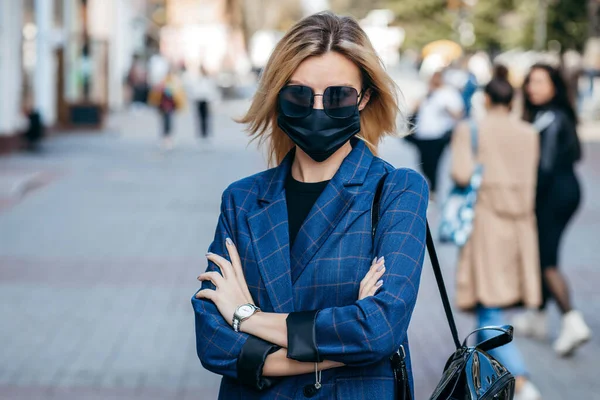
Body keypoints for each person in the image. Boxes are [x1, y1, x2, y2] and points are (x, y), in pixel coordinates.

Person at [191, 12, 428, 399]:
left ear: (364, 97)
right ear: (278, 96)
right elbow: (213, 340)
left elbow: (381, 328)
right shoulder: (243, 199)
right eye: (300, 94)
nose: (318, 110)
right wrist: (339, 344)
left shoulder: (396, 191)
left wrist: (247, 316)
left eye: (338, 96)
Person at [451, 65, 542, 400]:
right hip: (519, 225)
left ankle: (521, 380)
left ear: (486, 98)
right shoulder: (529, 132)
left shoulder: (470, 129)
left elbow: (461, 174)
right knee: (487, 305)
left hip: (486, 224)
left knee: (489, 307)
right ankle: (477, 379)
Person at [513, 64, 592, 357]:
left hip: (554, 193)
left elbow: (543, 168)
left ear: (554, 86)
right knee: (542, 253)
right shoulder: (555, 115)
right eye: (530, 81)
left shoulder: (551, 118)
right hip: (564, 190)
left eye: (540, 81)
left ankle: (572, 321)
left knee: (547, 260)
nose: (532, 87)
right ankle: (538, 317)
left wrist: (526, 201)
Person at [411, 70, 464, 201]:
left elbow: (459, 113)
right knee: (423, 162)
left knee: (434, 163)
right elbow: (416, 109)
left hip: (438, 135)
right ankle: (430, 186)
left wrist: (446, 109)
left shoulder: (448, 94)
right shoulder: (427, 93)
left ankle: (433, 189)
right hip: (422, 134)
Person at [149, 70, 185, 149]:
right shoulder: (165, 85)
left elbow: (178, 97)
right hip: (164, 106)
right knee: (166, 122)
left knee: (167, 122)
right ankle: (166, 138)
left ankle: (167, 137)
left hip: (168, 107)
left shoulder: (170, 85)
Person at [183, 65, 219, 141]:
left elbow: (212, 90)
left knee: (206, 117)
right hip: (199, 99)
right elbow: (193, 90)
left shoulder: (208, 80)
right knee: (200, 117)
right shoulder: (197, 79)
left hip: (205, 100)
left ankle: (206, 133)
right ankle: (201, 133)